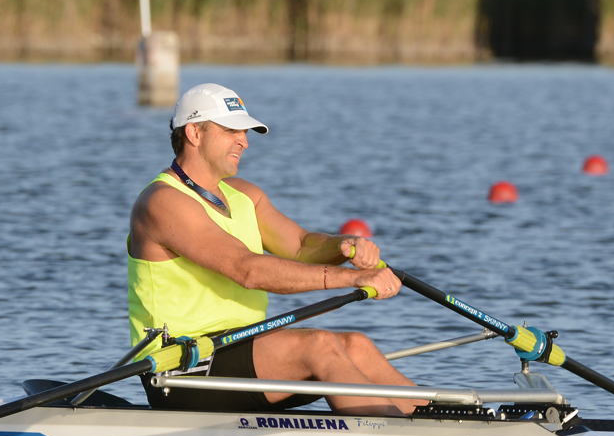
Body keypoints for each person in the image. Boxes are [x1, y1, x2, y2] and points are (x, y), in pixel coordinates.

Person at [127, 83, 421, 417]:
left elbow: (299, 246)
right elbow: (247, 270)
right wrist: (353, 279)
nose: (244, 141)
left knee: (357, 346)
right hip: (181, 367)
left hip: (239, 350)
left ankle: (437, 419)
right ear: (194, 132)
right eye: (231, 131)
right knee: (318, 345)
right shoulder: (163, 202)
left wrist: (343, 246)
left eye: (245, 132)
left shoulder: (244, 196)